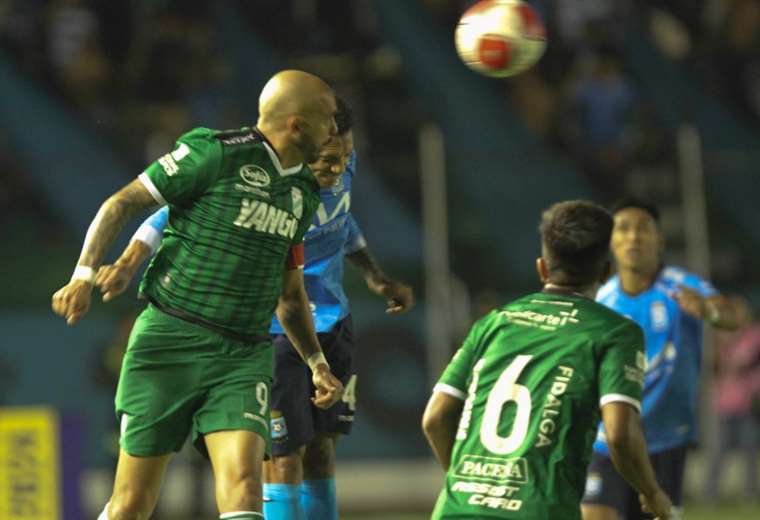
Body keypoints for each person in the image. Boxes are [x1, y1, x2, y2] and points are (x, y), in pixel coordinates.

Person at [97, 97, 415, 520]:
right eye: (329, 154)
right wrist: (123, 264)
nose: (337, 166)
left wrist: (374, 277)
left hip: (322, 324)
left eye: (346, 155)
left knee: (315, 454)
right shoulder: (261, 179)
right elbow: (164, 216)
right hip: (262, 331)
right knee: (275, 462)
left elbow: (342, 220)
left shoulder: (331, 174)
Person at [51, 69, 344, 520]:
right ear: (297, 124)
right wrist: (83, 274)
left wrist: (317, 364)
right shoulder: (215, 154)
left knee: (245, 488)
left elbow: (289, 295)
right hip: (169, 341)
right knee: (132, 502)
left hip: (243, 358)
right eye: (328, 117)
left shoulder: (303, 192)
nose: (334, 128)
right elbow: (122, 202)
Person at [422, 200, 673, 520]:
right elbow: (620, 433)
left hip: (456, 511)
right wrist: (651, 492)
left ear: (542, 267)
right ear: (607, 272)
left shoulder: (494, 322)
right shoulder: (616, 333)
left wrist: (469, 486)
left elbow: (435, 418)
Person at [581, 197, 742, 520]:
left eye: (643, 229)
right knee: (595, 514)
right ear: (611, 241)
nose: (633, 237)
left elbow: (732, 316)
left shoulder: (681, 287)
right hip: (609, 438)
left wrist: (708, 309)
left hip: (665, 438)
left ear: (660, 239)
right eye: (623, 229)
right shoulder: (602, 299)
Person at [704, 296, 760, 502]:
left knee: (750, 452)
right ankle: (710, 495)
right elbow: (714, 366)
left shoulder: (753, 336)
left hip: (747, 405)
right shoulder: (719, 339)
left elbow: (746, 361)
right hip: (724, 405)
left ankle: (750, 494)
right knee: (717, 454)